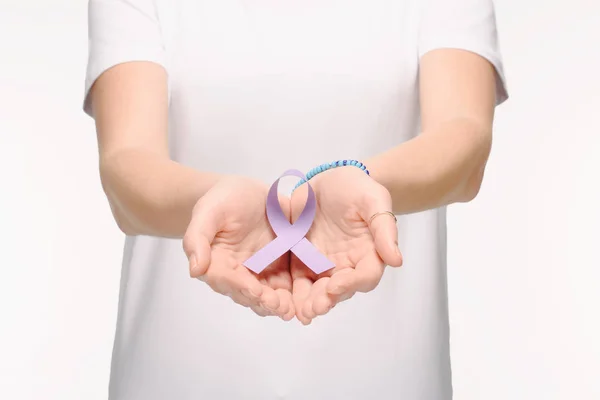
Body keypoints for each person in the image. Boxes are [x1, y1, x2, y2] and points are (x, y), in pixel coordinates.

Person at [83, 0, 508, 398]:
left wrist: (361, 182)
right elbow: (125, 166)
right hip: (173, 375)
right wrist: (211, 204)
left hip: (388, 375)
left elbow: (464, 138)